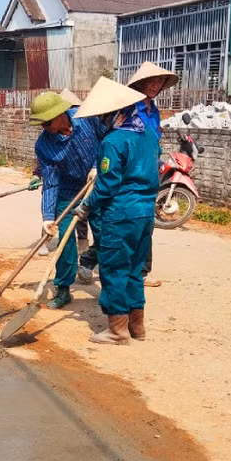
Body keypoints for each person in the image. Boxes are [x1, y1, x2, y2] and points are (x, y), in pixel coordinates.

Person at [73, 77, 159, 344]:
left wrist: (85, 206)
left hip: (120, 214)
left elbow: (108, 185)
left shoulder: (114, 141)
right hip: (144, 213)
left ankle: (117, 330)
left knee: (114, 269)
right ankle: (138, 327)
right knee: (135, 269)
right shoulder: (148, 135)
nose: (101, 121)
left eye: (103, 116)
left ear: (114, 113)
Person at [28, 91, 104, 309]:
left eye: (46, 122)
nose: (45, 128)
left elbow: (107, 140)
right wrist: (48, 218)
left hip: (98, 183)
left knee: (105, 235)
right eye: (41, 124)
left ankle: (110, 287)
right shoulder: (44, 145)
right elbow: (51, 182)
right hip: (68, 190)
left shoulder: (85, 117)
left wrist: (98, 165)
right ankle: (63, 289)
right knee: (64, 240)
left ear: (60, 113)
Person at [126, 61, 179, 287]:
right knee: (125, 222)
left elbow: (154, 139)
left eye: (159, 82)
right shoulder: (128, 108)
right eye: (152, 81)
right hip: (129, 171)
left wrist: (157, 159)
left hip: (149, 171)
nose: (156, 85)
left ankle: (143, 271)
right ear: (141, 83)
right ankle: (91, 260)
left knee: (147, 223)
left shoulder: (154, 111)